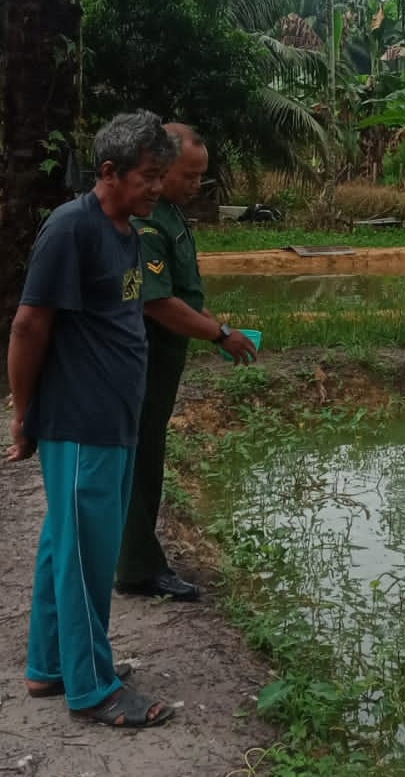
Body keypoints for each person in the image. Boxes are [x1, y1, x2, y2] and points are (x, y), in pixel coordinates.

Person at [7, 110, 176, 727]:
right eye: (149, 176)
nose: (158, 187)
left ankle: (51, 666)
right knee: (86, 557)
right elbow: (29, 325)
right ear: (110, 172)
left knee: (64, 548)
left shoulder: (126, 230)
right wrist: (23, 414)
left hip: (113, 421)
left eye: (162, 175)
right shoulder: (70, 229)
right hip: (81, 424)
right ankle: (93, 690)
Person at [114, 124, 256, 602]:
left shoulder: (170, 214)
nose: (197, 185)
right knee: (139, 460)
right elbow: (156, 302)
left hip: (164, 360)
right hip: (144, 361)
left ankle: (135, 557)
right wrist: (218, 333)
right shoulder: (147, 225)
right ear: (161, 168)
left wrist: (219, 328)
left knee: (147, 456)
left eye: (201, 177)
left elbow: (183, 292)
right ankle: (136, 566)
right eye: (188, 175)